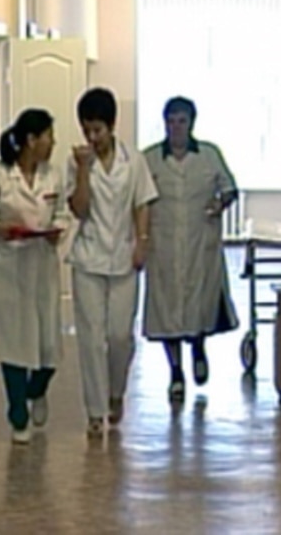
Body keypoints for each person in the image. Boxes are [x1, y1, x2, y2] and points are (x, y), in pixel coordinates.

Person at [0, 108, 71, 444]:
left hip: (42, 266)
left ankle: (37, 389)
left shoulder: (53, 175)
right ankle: (18, 414)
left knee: (49, 348)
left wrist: (58, 230)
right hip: (9, 269)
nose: (53, 143)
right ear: (31, 140)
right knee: (13, 344)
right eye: (48, 137)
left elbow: (62, 214)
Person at [66, 87, 159, 437]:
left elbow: (142, 204)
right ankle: (94, 411)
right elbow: (79, 209)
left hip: (124, 256)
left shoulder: (133, 160)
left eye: (98, 130)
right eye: (86, 130)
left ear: (111, 126)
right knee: (91, 338)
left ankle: (116, 392)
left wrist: (142, 243)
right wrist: (83, 171)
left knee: (120, 336)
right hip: (88, 258)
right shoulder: (76, 162)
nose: (92, 138)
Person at [142, 96, 239, 403]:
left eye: (182, 121)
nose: (176, 128)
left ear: (191, 123)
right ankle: (175, 372)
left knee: (199, 307)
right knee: (166, 313)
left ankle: (198, 349)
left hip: (200, 244)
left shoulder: (209, 155)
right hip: (163, 247)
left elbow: (229, 188)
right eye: (171, 121)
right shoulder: (150, 159)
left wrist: (219, 203)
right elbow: (139, 200)